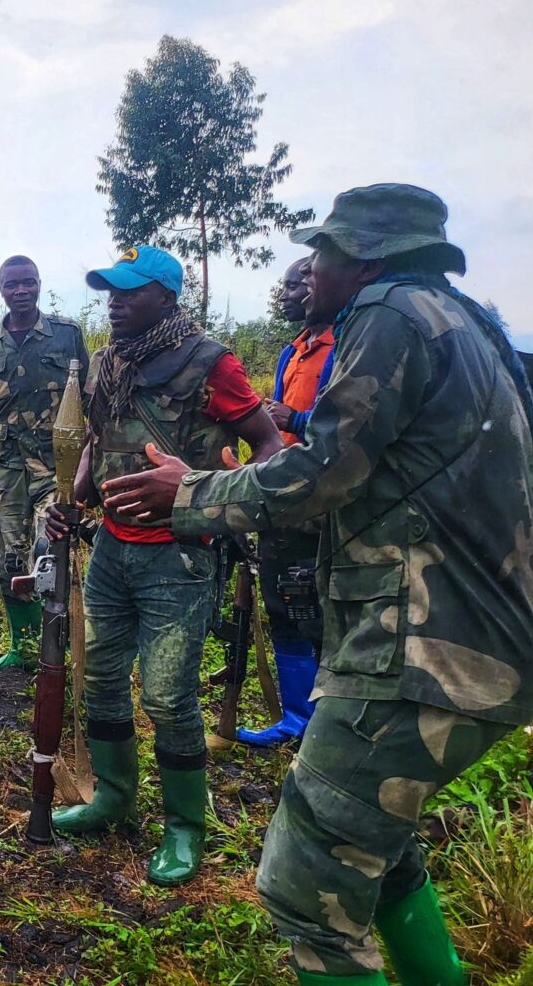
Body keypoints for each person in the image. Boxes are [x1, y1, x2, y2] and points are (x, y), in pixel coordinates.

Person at [95, 184, 533, 986]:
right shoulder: (466, 321)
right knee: (381, 850)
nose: (311, 268)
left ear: (367, 256)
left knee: (306, 883)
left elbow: (321, 472)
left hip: (426, 651)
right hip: (478, 638)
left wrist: (193, 495)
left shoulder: (390, 315)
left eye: (325, 252)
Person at [44, 245, 282, 887]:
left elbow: (270, 445)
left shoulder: (211, 362)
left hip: (180, 554)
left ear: (167, 298)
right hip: (113, 550)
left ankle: (184, 828)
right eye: (110, 292)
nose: (115, 303)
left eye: (130, 291)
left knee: (171, 697)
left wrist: (203, 488)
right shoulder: (105, 362)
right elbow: (96, 438)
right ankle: (114, 798)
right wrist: (76, 497)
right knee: (101, 679)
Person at [0, 254, 90, 670]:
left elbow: (87, 400)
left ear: (39, 284)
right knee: (8, 557)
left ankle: (61, 647)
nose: (20, 291)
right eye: (11, 285)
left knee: (49, 550)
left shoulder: (66, 334)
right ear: (0, 289)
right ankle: (24, 646)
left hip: (57, 466)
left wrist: (91, 461)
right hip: (7, 467)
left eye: (28, 283)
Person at [239, 256, 334, 747]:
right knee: (283, 598)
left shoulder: (346, 346)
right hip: (282, 492)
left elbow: (353, 424)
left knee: (318, 603)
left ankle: (325, 720)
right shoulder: (292, 351)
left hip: (322, 498)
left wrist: (294, 419)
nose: (288, 293)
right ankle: (296, 717)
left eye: (297, 283)